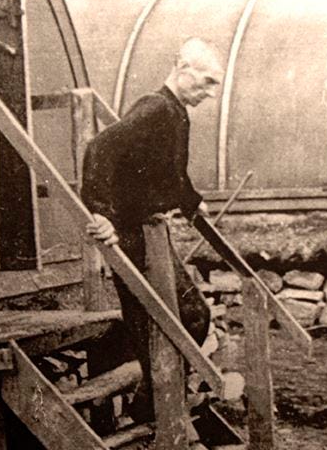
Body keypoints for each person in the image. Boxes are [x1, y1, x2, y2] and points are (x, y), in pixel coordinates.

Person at [80, 37, 225, 422]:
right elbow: (99, 149)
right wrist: (100, 213)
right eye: (207, 82)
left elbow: (169, 173)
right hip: (129, 233)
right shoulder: (156, 107)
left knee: (186, 316)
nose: (210, 93)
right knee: (174, 319)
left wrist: (192, 201)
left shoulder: (176, 113)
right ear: (183, 69)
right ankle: (154, 408)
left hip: (151, 231)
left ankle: (153, 404)